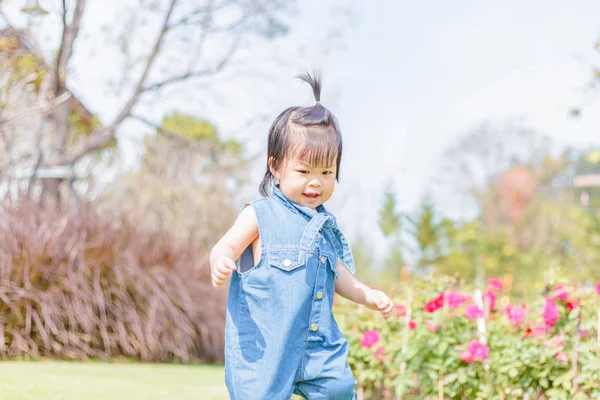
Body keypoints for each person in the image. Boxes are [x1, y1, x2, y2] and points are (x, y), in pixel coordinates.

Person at [210, 72, 394, 400]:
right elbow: (227, 244)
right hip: (266, 350)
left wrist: (367, 294)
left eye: (327, 173)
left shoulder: (324, 226)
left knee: (339, 388)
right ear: (276, 167)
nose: (316, 182)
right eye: (304, 171)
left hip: (317, 347)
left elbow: (338, 274)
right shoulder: (260, 214)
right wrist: (221, 261)